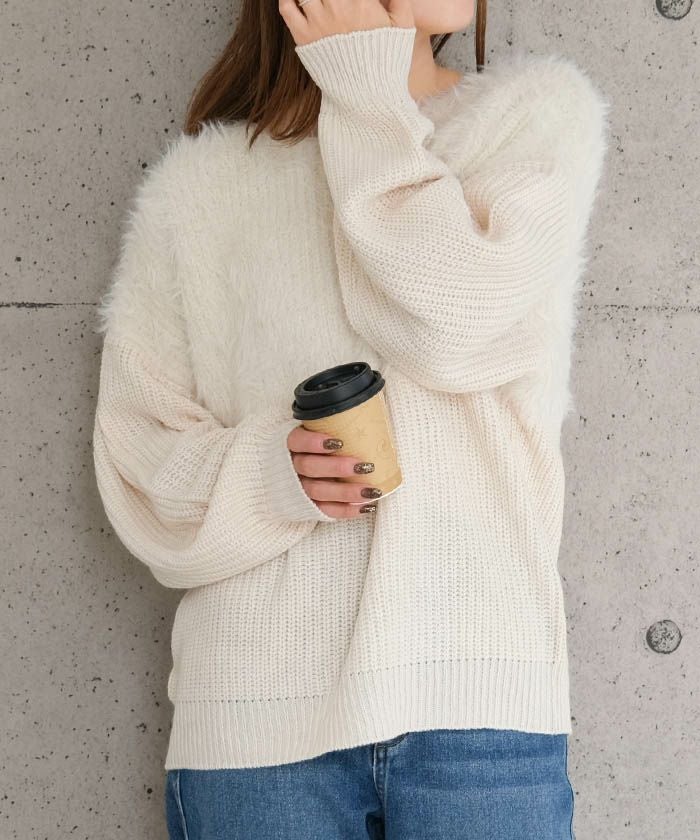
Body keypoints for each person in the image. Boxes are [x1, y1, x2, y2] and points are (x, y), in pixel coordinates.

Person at [92, 0, 610, 837]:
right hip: (258, 724)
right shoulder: (205, 181)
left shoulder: (533, 120)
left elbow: (453, 325)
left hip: (478, 707)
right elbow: (140, 461)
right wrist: (275, 476)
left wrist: (365, 92)